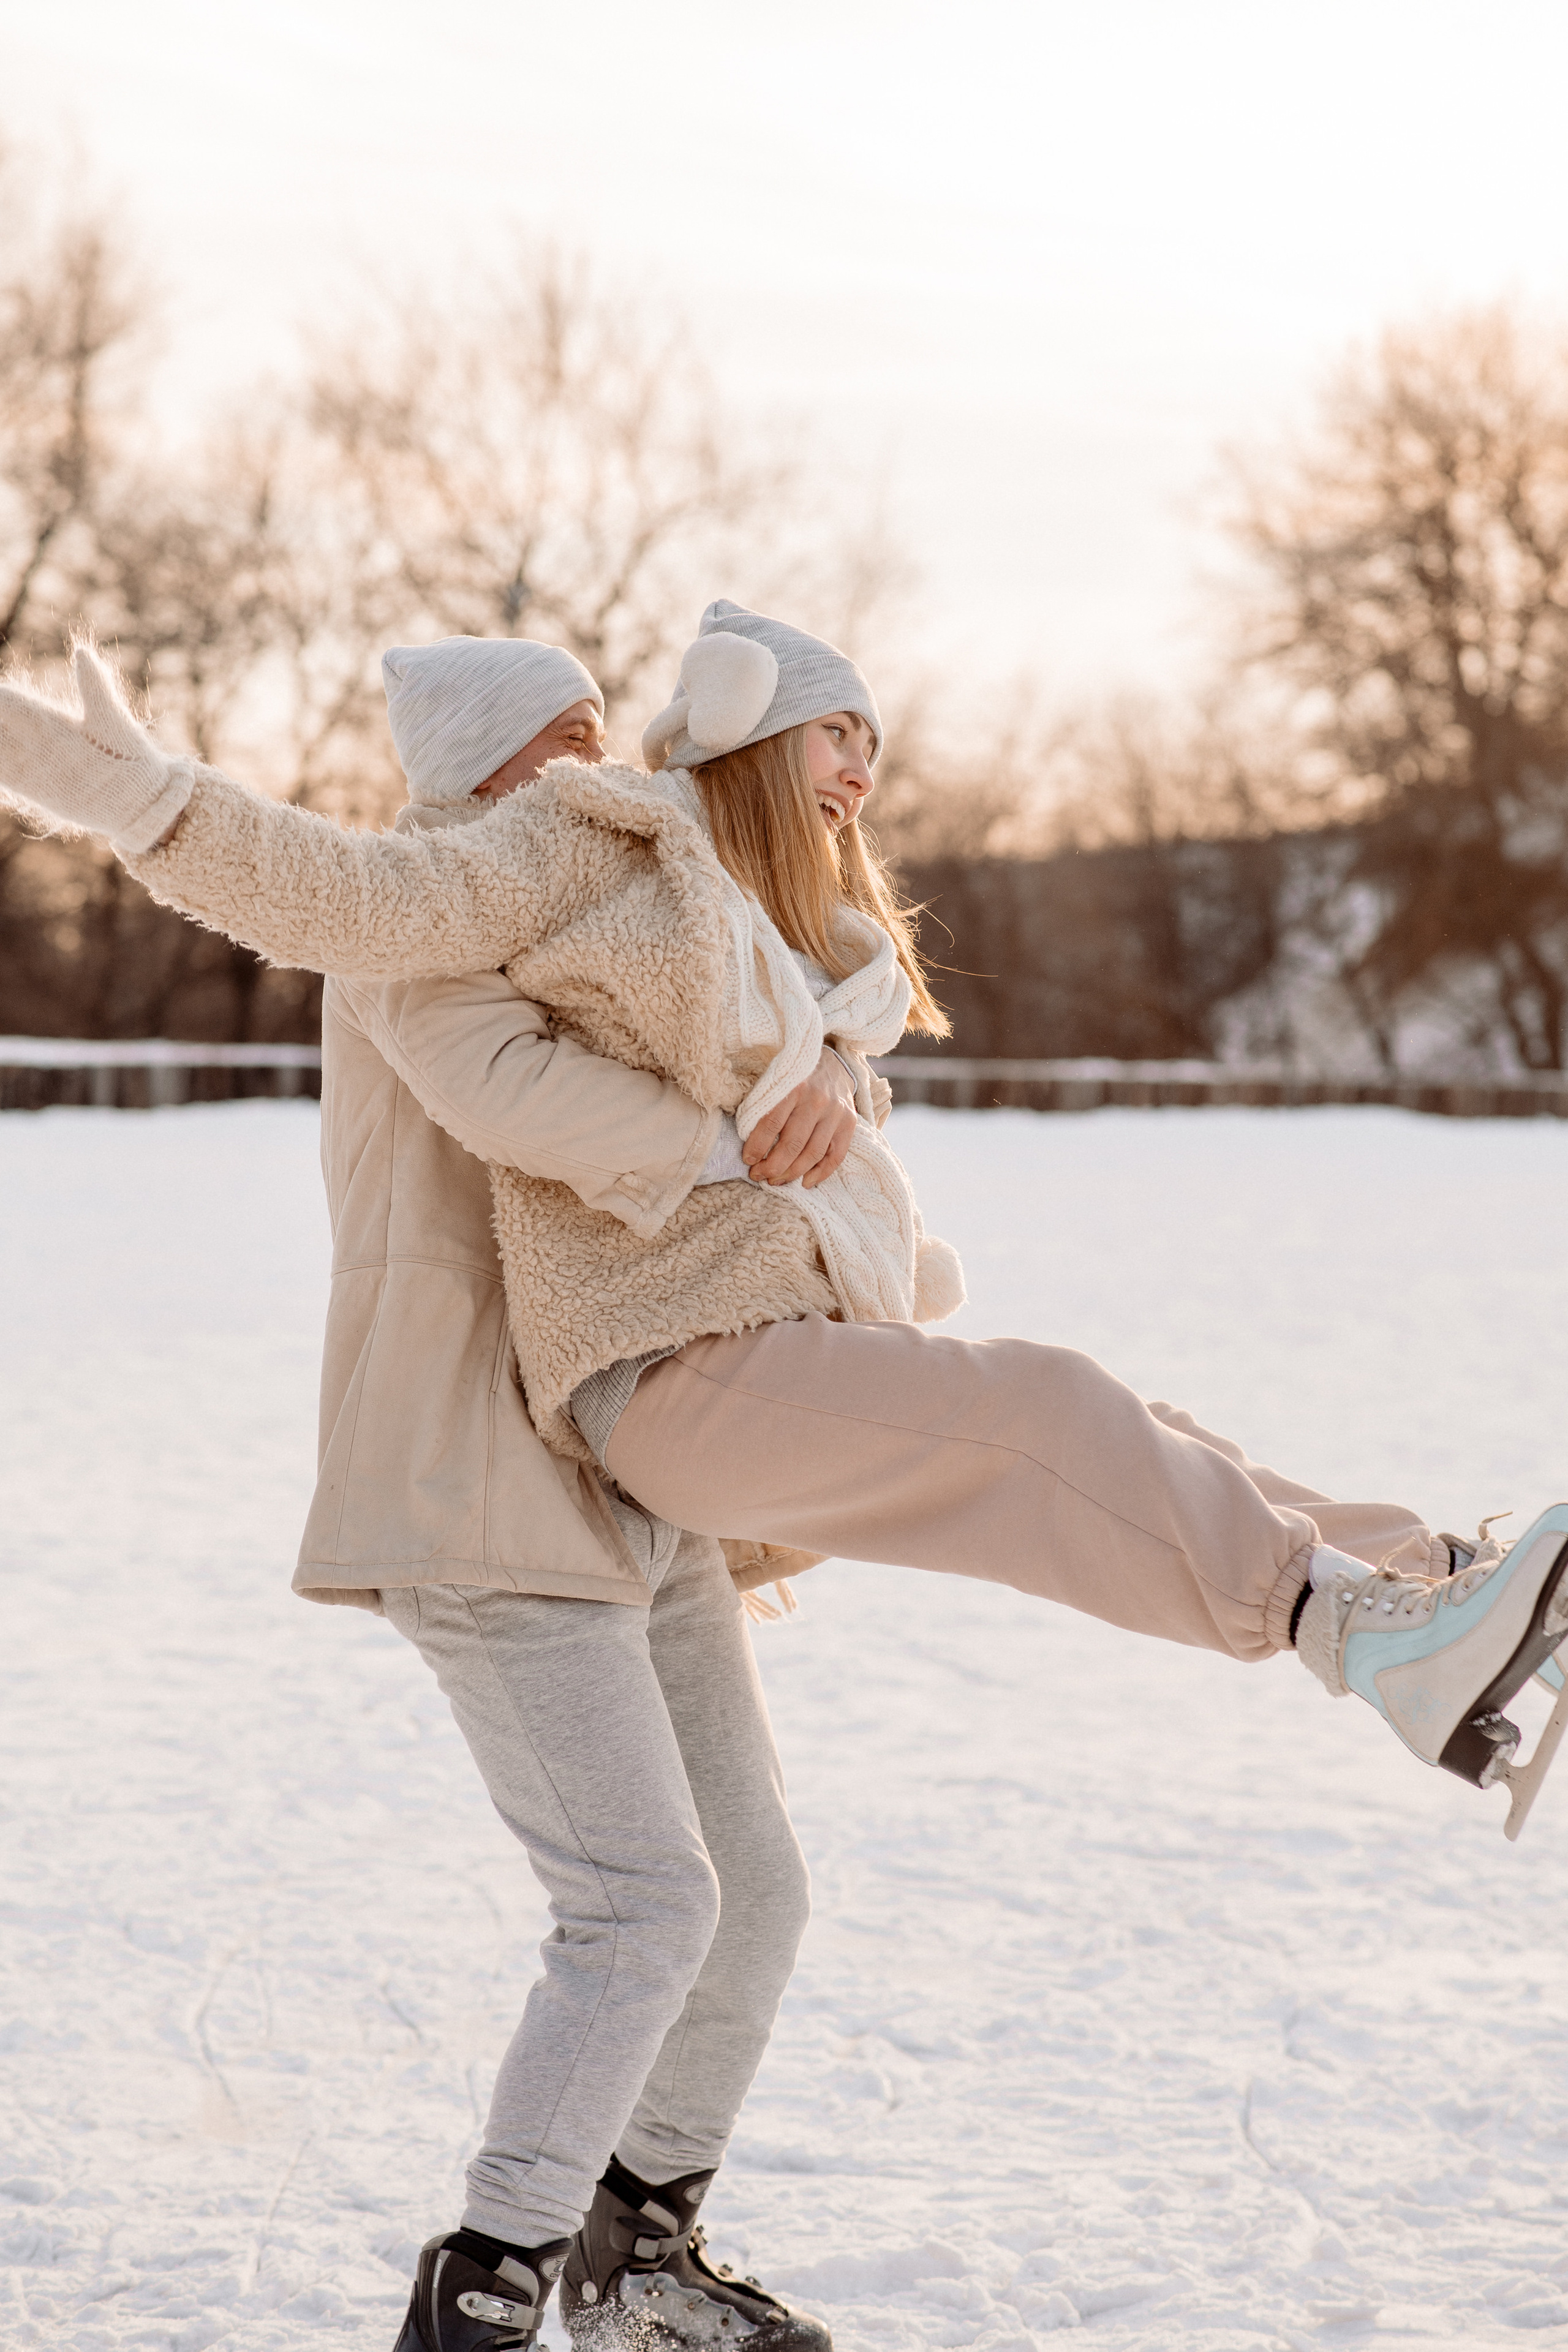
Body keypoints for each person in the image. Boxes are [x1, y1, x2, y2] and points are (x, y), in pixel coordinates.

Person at [5, 602, 1568, 2321]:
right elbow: (372, 927)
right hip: (493, 1480)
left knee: (761, 1886)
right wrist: (136, 799)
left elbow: (781, 1010)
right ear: (487, 777)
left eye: (608, 728)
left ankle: (1428, 1592)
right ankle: (493, 2288)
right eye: (563, 740)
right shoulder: (454, 910)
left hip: (622, 1480)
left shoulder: (605, 888)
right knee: (651, 1902)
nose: (600, 764)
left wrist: (823, 1057)